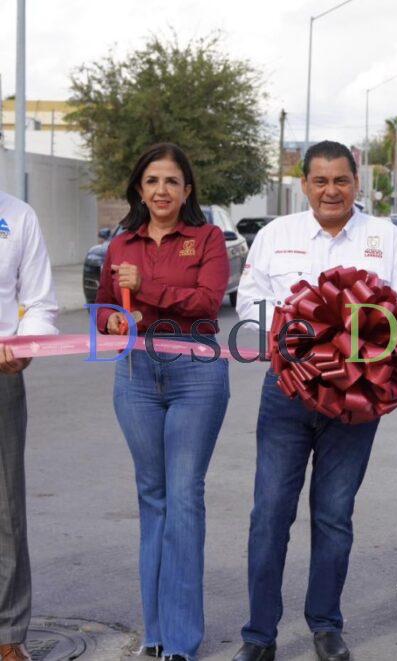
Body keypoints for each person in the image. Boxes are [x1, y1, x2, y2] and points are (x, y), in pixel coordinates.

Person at [232, 141, 397, 661]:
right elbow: (249, 301)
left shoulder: (385, 238)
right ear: (304, 184)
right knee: (269, 513)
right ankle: (259, 636)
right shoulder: (275, 236)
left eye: (341, 180)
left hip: (356, 398)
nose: (330, 190)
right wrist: (306, 330)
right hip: (287, 391)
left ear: (357, 184)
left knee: (334, 515)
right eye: (320, 181)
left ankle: (326, 625)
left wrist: (356, 351)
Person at [93, 143, 231, 661]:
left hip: (195, 373)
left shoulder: (207, 238)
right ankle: (154, 634)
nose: (162, 191)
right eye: (152, 181)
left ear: (187, 190)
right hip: (135, 374)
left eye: (172, 181)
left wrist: (145, 287)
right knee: (152, 497)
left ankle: (180, 640)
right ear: (138, 188)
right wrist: (108, 318)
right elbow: (105, 305)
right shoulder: (121, 242)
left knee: (183, 497)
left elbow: (206, 303)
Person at [0, 189, 58, 661]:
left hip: (0, 375)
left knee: (4, 510)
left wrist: (24, 344)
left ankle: (8, 633)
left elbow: (39, 300)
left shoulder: (18, 216)